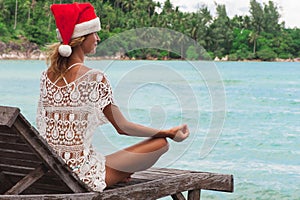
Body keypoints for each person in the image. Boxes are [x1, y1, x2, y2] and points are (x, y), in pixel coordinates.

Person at [36, 2, 189, 192]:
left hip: (49, 172)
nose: (98, 38)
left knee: (105, 158)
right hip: (79, 177)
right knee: (160, 144)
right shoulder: (94, 78)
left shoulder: (47, 77)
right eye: (94, 33)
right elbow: (123, 127)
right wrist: (168, 132)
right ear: (82, 38)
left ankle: (121, 171)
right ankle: (121, 172)